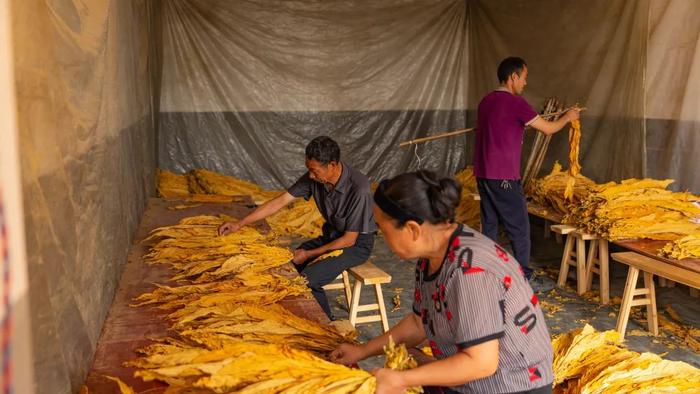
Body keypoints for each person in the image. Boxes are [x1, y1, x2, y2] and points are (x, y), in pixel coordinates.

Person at [331, 171, 553, 394]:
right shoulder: (434, 254)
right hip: (473, 375)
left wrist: (402, 379)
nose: (383, 238)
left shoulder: (469, 271)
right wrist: (361, 351)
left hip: (511, 386)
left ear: (412, 229)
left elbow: (481, 363)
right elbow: (419, 323)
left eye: (384, 230)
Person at [218, 136, 375, 318]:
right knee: (284, 263)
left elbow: (349, 239)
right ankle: (292, 311)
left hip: (356, 245)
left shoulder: (358, 187)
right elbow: (280, 201)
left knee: (308, 280)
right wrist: (240, 223)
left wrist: (308, 254)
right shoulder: (316, 178)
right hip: (332, 236)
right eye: (309, 170)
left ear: (332, 165)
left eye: (314, 171)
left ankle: (328, 328)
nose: (310, 175)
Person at [473, 56, 580, 291]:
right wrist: (567, 117)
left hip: (483, 174)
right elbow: (549, 130)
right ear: (513, 77)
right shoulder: (515, 104)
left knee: (489, 224)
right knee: (519, 227)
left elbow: (509, 125)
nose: (525, 83)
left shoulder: (486, 101)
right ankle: (523, 277)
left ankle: (485, 272)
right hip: (504, 177)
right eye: (524, 77)